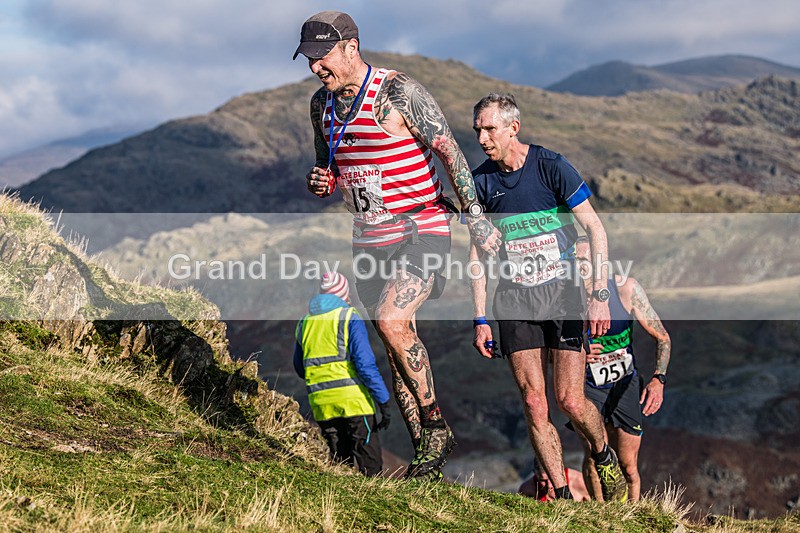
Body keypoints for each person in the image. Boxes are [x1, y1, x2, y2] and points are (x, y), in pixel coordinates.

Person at [294, 11, 501, 480]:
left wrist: (475, 219)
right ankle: (427, 461)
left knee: (391, 319)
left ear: (351, 47)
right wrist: (321, 181)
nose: (315, 68)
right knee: (394, 347)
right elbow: (328, 167)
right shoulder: (320, 105)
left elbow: (450, 151)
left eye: (322, 57)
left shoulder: (398, 91)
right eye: (308, 59)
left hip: (421, 227)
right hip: (369, 238)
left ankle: (437, 428)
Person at [469, 93, 627, 501]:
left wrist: (599, 295)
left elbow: (595, 229)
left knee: (570, 400)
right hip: (515, 302)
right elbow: (477, 255)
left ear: (513, 128)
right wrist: (480, 318)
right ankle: (561, 497)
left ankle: (602, 452)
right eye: (478, 130)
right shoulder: (480, 182)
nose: (482, 139)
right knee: (535, 403)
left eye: (490, 129)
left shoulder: (551, 166)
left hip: (564, 296)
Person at [571, 237, 672, 501]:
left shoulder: (625, 289)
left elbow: (663, 337)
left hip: (624, 384)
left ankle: (632, 515)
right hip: (586, 386)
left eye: (585, 260)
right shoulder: (566, 298)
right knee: (595, 456)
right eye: (574, 260)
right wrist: (578, 355)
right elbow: (549, 354)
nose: (580, 266)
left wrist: (658, 379)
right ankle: (599, 516)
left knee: (627, 465)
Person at [293, 272, 392, 477]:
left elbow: (300, 368)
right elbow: (365, 365)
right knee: (371, 466)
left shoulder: (305, 323)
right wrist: (383, 401)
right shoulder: (349, 317)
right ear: (344, 294)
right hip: (354, 402)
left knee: (339, 467)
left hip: (322, 404)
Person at [518, 456, 590, 502]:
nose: (549, 485)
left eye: (552, 479)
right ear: (535, 474)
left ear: (561, 470)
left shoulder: (580, 482)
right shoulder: (527, 489)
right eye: (543, 480)